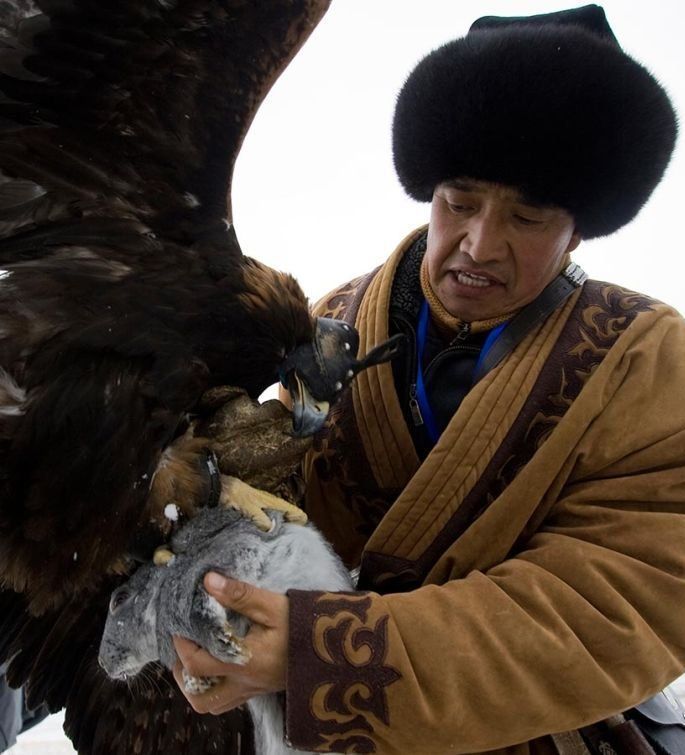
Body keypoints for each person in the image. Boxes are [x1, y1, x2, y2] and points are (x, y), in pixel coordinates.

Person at [171, 6, 685, 754]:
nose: (479, 243)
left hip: (528, 733)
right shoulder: (333, 319)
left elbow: (616, 607)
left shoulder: (648, 361)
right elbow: (285, 520)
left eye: (528, 215)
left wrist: (326, 655)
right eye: (460, 201)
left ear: (581, 226)